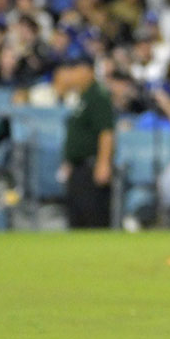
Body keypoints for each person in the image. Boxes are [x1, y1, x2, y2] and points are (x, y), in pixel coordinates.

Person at [55, 54, 115, 229]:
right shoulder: (82, 97)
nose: (71, 74)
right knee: (77, 219)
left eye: (75, 69)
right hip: (78, 168)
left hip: (91, 166)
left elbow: (106, 132)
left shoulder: (98, 96)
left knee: (93, 218)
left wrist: (103, 163)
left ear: (87, 71)